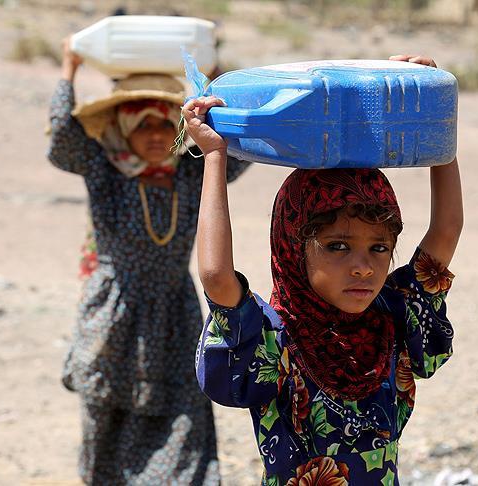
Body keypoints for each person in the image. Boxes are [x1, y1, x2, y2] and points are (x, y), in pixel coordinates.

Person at [183, 54, 463, 484]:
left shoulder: (395, 319)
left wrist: (432, 121)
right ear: (294, 249)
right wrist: (215, 156)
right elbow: (217, 277)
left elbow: (446, 228)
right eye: (337, 247)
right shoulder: (274, 339)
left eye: (379, 248)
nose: (363, 268)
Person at [48, 39, 250, 485]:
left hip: (175, 310)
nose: (157, 136)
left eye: (164, 124)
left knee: (184, 412)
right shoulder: (104, 171)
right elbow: (62, 140)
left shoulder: (190, 171)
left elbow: (235, 146)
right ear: (122, 128)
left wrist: (215, 80)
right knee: (107, 410)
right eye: (143, 126)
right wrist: (69, 68)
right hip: (113, 312)